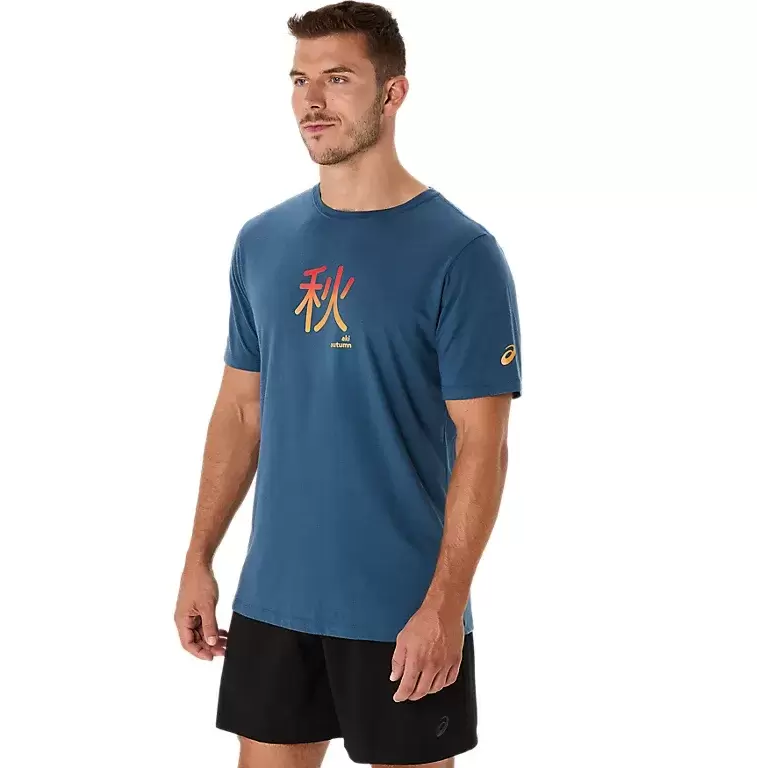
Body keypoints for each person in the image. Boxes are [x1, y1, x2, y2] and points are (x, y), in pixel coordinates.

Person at [174, 2, 522, 766]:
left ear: (393, 94)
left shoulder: (461, 254)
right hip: (274, 599)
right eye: (299, 80)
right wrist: (200, 556)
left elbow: (484, 443)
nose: (312, 101)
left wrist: (445, 605)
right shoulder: (262, 242)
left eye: (337, 79)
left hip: (401, 607)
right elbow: (242, 410)